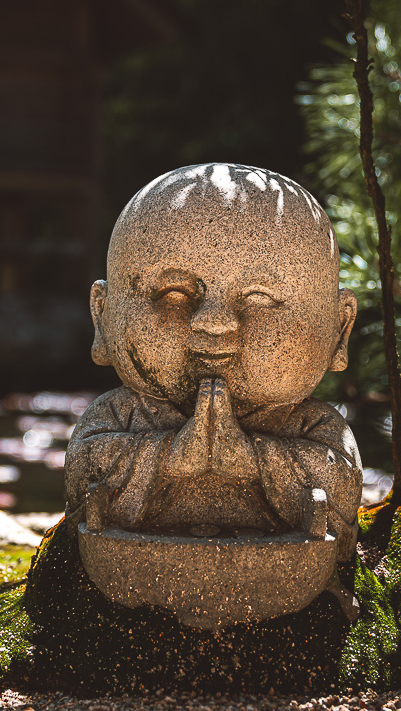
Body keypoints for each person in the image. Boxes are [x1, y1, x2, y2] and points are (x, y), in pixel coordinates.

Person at [64, 163, 363, 561]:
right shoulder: (120, 417)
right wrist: (170, 456)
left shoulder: (313, 426)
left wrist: (253, 460)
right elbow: (84, 475)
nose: (214, 322)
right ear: (102, 317)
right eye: (173, 293)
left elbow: (340, 489)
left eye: (259, 298)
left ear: (338, 329)